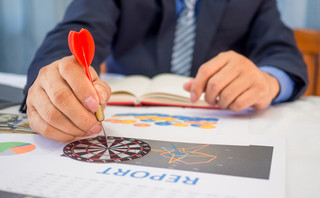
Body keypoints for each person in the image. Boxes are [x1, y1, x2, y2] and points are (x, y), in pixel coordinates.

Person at [21, 0, 308, 142]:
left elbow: (280, 51)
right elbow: (76, 29)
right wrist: (55, 78)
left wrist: (268, 81)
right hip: (128, 113)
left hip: (217, 125)